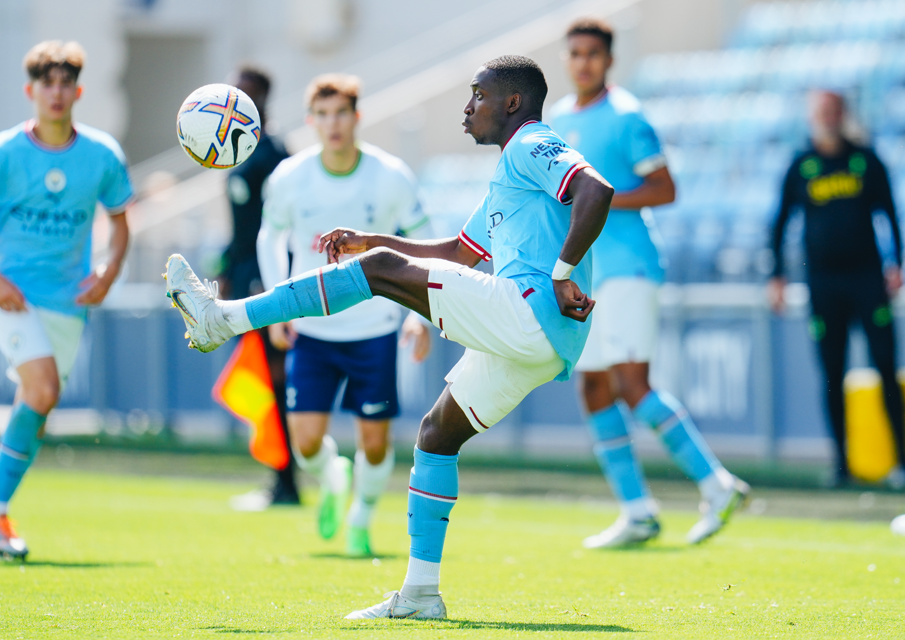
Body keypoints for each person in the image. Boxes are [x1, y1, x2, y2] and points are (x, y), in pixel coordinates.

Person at [163, 54, 614, 618]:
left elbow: (596, 189)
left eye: (478, 94)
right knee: (436, 434)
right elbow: (457, 253)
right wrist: (371, 239)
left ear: (513, 103)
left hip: (529, 311)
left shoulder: (530, 143)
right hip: (544, 340)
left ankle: (223, 318)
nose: (468, 106)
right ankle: (421, 593)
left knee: (378, 274)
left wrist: (563, 271)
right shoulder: (509, 172)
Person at [549, 18, 750, 549]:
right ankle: (637, 511)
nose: (583, 62)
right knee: (593, 387)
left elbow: (664, 187)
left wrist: (604, 199)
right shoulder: (558, 120)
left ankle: (718, 484)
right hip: (587, 273)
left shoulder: (626, 116)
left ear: (609, 60)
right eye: (575, 53)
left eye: (593, 53)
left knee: (632, 383)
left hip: (630, 269)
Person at [0, 41, 134, 560]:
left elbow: (121, 223)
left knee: (38, 403)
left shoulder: (101, 154)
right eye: (45, 84)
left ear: (77, 92)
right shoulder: (0, 152)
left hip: (68, 300)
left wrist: (108, 272)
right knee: (43, 386)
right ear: (30, 91)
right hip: (13, 297)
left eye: (64, 84)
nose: (55, 93)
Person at [255, 73, 432, 556]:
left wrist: (419, 313)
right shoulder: (290, 177)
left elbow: (422, 240)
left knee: (375, 443)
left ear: (357, 118)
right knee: (306, 444)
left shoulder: (390, 174)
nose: (333, 124)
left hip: (373, 328)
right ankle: (335, 476)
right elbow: (269, 237)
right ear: (311, 121)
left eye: (341, 114)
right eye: (323, 115)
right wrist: (279, 305)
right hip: (311, 330)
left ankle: (362, 517)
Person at [768, 90, 905, 489]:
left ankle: (903, 461)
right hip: (823, 284)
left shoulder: (866, 160)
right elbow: (780, 222)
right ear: (812, 116)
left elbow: (891, 212)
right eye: (822, 111)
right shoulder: (801, 166)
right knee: (832, 372)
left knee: (886, 364)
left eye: (834, 111)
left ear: (844, 114)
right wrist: (776, 275)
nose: (828, 118)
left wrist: (897, 262)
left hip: (867, 279)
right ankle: (841, 463)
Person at [218, 64, 299, 511]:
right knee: (265, 377)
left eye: (246, 95)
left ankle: (287, 481)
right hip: (245, 277)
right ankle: (280, 477)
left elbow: (280, 227)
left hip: (270, 279)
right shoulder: (234, 152)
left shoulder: (274, 156)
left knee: (277, 376)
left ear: (263, 101)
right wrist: (226, 268)